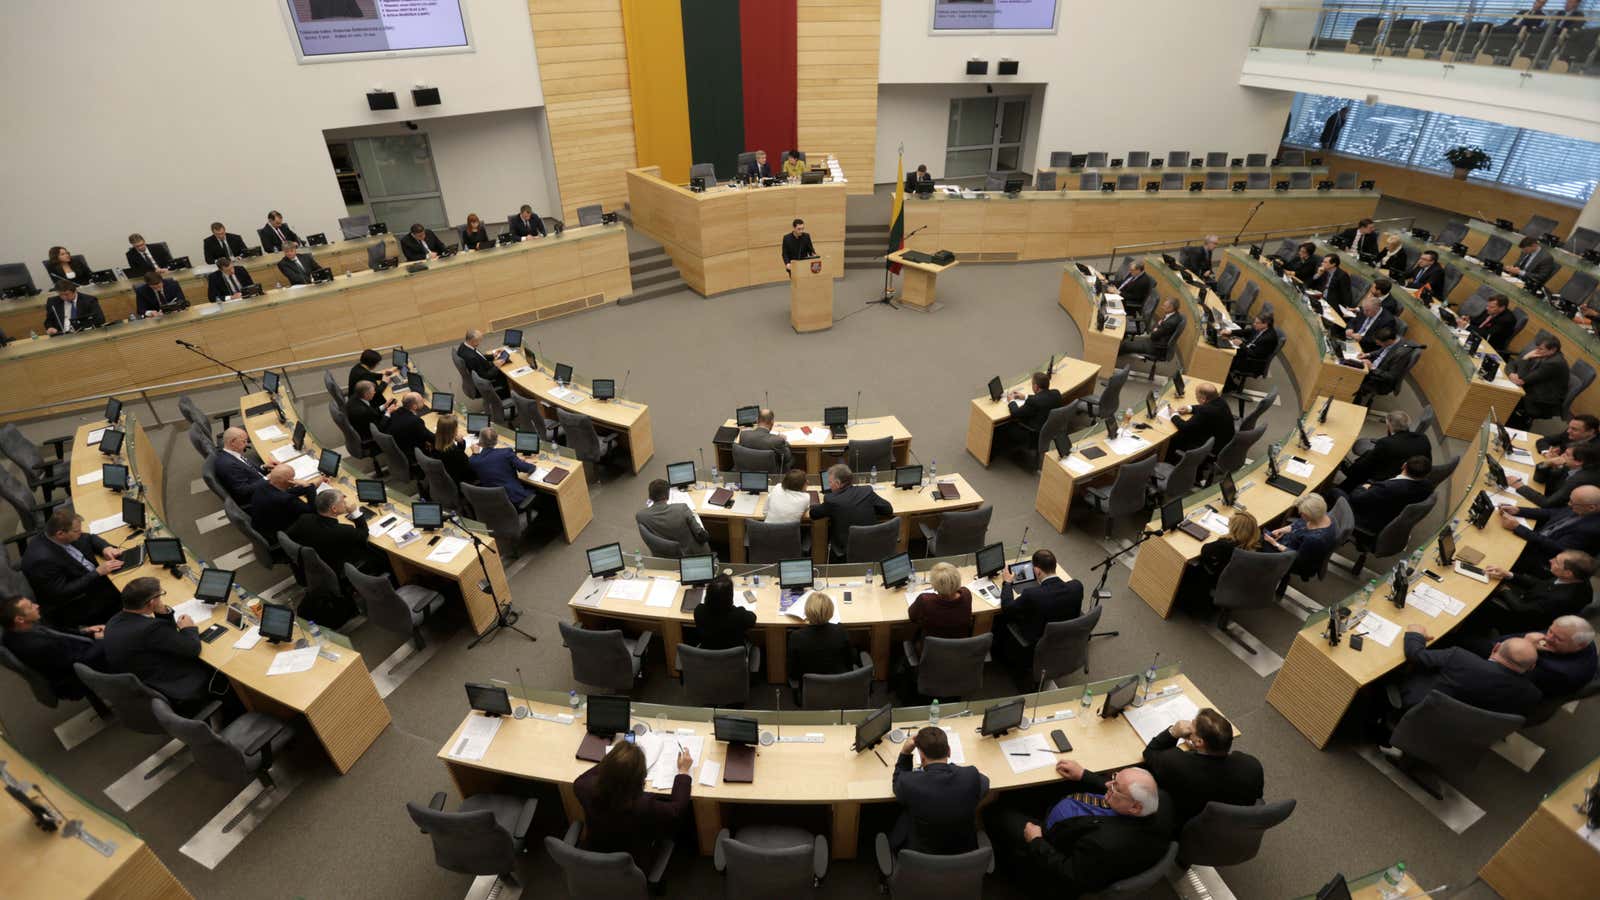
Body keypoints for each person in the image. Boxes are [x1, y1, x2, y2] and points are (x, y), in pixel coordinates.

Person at [985, 760, 1173, 894]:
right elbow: (1123, 791)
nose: (1108, 784)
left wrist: (1036, 841)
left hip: (1050, 840)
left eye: (1115, 787)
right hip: (1074, 818)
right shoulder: (1160, 800)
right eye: (1114, 778)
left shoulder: (1105, 845)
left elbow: (1069, 874)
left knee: (996, 812)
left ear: (1135, 807)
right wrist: (1084, 774)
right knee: (1025, 792)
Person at [1383, 625, 1540, 729]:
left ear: (1496, 648)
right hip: (1463, 733)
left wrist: (1414, 633)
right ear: (1532, 667)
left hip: (1418, 714)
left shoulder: (1460, 658)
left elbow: (1416, 655)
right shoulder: (1532, 695)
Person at [100, 578, 215, 716]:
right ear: (152, 602)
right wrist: (189, 628)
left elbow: (165, 637)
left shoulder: (114, 621)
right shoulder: (150, 628)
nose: (162, 598)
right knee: (218, 670)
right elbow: (192, 649)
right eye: (160, 595)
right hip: (175, 685)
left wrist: (163, 613)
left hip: (147, 680)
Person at [573, 739, 692, 870]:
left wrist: (614, 763)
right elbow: (677, 809)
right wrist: (683, 772)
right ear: (640, 779)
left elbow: (583, 779)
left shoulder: (584, 788)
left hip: (593, 860)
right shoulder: (643, 805)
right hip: (632, 867)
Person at [1141, 708, 1263, 825]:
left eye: (1192, 727)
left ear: (1199, 742)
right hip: (1230, 827)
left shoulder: (1176, 763)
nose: (1189, 726)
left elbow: (1150, 752)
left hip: (1185, 828)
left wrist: (1173, 732)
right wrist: (1198, 750)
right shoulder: (1252, 766)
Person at [889, 726, 990, 855]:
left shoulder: (909, 783)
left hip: (921, 857)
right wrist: (953, 770)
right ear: (949, 751)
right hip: (963, 853)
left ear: (922, 757)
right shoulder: (971, 775)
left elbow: (897, 784)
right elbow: (985, 784)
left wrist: (905, 753)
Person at [21, 510, 123, 630]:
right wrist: (97, 573)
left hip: (91, 577)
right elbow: (62, 592)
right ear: (60, 534)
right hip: (78, 602)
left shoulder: (57, 536)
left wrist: (105, 548)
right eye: (76, 531)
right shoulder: (42, 561)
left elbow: (89, 538)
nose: (80, 533)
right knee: (130, 590)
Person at [995, 549, 1084, 678]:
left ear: (1037, 571)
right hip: (1063, 637)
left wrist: (1007, 583)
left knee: (1001, 618)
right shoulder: (1076, 586)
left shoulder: (1032, 595)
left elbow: (1007, 608)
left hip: (1036, 641)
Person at [1, 593, 105, 702]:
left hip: (73, 651)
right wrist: (104, 639)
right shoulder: (38, 646)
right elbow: (81, 660)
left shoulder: (16, 630)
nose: (37, 606)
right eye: (31, 606)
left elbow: (58, 632)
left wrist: (88, 632)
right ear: (20, 619)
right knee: (122, 643)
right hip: (77, 673)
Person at [1482, 551, 1595, 636]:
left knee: (1483, 601)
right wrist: (1508, 574)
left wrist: (1504, 589)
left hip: (1521, 620)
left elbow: (1521, 609)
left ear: (1568, 573)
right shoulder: (1577, 578)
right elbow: (1540, 584)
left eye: (1556, 561)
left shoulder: (1561, 599)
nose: (1551, 560)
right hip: (1532, 600)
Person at [1500, 485, 1600, 576]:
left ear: (1591, 507)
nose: (1569, 504)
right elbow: (1552, 513)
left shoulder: (1592, 530)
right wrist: (1519, 510)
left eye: (1572, 503)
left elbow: (1555, 547)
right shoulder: (1581, 506)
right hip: (1535, 538)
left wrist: (1518, 528)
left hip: (1542, 557)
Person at [1179, 511, 1260, 615]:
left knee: (1187, 564)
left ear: (1235, 528)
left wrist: (1222, 538)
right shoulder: (1251, 544)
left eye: (1230, 523)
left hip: (1213, 580)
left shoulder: (1224, 546)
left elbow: (1205, 550)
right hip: (1233, 581)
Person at [809, 464, 892, 560]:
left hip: (845, 550)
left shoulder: (831, 499)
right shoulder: (866, 491)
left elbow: (813, 514)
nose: (829, 485)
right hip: (872, 544)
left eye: (830, 482)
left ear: (838, 483)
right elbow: (888, 509)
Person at [1338, 455, 1433, 536]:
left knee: (1335, 491)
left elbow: (1356, 499)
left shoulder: (1388, 488)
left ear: (1404, 465)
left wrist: (1363, 487)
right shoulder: (1428, 486)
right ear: (1426, 475)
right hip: (1390, 515)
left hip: (1367, 519)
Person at [787, 592, 854, 700]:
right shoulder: (841, 631)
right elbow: (850, 663)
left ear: (807, 612)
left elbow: (793, 672)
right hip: (839, 685)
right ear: (830, 611)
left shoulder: (796, 637)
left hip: (809, 689)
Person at [1341, 410, 1430, 488]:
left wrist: (1352, 470)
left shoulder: (1386, 443)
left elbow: (1367, 465)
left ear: (1389, 426)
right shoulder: (1423, 438)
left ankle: (1342, 487)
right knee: (1368, 454)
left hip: (1387, 478)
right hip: (1411, 476)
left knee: (1360, 469)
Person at [1264, 492, 1339, 581]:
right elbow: (1299, 524)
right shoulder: (1323, 515)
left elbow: (1298, 558)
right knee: (1267, 532)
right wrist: (1281, 530)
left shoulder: (1315, 539)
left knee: (1260, 541)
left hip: (1296, 561)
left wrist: (1275, 544)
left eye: (1302, 514)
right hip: (1294, 543)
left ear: (1310, 515)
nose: (1300, 515)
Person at [907, 562, 974, 655]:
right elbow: (960, 590)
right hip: (958, 651)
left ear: (934, 584)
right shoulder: (966, 594)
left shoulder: (925, 600)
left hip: (930, 653)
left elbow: (912, 616)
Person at [1524, 615, 1597, 698]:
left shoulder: (1556, 671)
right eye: (1550, 631)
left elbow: (1513, 673)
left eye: (1558, 639)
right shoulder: (1578, 638)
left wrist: (1525, 644)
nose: (1548, 638)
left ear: (1580, 645)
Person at [1509, 442, 1600, 509]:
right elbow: (1539, 480)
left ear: (1578, 462)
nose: (1562, 455)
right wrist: (1547, 463)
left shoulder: (1580, 479)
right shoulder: (1572, 465)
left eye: (1567, 455)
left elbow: (1547, 503)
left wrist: (1520, 487)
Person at [468, 428, 540, 509]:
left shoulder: (474, 460)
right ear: (496, 440)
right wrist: (525, 463)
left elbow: (475, 461)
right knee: (538, 491)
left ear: (480, 442)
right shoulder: (506, 453)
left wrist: (475, 453)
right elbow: (528, 468)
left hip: (493, 502)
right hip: (515, 500)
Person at [1506, 335, 1569, 428]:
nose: (1536, 351)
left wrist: (1526, 358)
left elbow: (1522, 380)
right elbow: (1512, 364)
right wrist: (1511, 373)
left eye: (1541, 349)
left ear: (1553, 350)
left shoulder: (1553, 363)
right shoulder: (1544, 354)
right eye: (1537, 348)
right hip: (1534, 387)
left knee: (1507, 395)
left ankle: (1510, 425)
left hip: (1542, 400)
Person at [636, 478, 710, 555]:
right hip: (690, 553)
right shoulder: (682, 509)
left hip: (665, 556)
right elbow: (702, 536)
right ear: (667, 496)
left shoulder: (641, 516)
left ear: (650, 497)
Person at [249, 464, 319, 542]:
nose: (295, 479)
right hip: (278, 534)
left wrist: (310, 486)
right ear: (289, 481)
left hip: (262, 525)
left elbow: (286, 491)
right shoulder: (286, 499)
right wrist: (308, 487)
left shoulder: (263, 486)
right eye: (293, 477)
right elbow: (313, 511)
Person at [1168, 383, 1234, 458]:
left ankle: (1168, 458)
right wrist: (1189, 408)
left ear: (1203, 399)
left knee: (1174, 437)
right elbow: (1204, 406)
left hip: (1212, 447)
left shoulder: (1205, 411)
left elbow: (1185, 427)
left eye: (1197, 396)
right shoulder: (1221, 401)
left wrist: (1173, 415)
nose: (1196, 398)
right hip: (1223, 441)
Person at [693, 573, 754, 651]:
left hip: (707, 658)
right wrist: (735, 608)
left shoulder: (699, 611)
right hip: (735, 660)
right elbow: (753, 618)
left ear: (708, 594)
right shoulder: (739, 615)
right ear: (730, 596)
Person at [1001, 372, 1062, 449]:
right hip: (1051, 430)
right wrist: (1025, 397)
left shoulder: (1033, 402)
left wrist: (1011, 401)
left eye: (1032, 384)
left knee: (1004, 427)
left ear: (1036, 387)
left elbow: (1015, 413)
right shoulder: (1056, 393)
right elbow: (1043, 397)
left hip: (1035, 433)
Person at [213, 427, 268, 507]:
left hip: (259, 482)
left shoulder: (232, 454)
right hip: (258, 498)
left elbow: (250, 470)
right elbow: (243, 491)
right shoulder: (228, 465)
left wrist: (264, 467)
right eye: (244, 441)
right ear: (232, 442)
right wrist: (268, 479)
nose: (246, 444)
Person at [1225, 312, 1280, 390]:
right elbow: (1247, 332)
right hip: (1247, 351)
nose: (1254, 324)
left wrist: (1241, 344)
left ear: (1265, 324)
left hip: (1253, 363)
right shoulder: (1260, 328)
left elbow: (1254, 354)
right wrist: (1231, 332)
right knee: (1226, 350)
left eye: (1257, 323)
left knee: (1226, 358)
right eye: (1255, 322)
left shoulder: (1268, 338)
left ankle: (1229, 386)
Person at [1354, 329, 1410, 403]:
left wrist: (1372, 368)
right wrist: (1368, 354)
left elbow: (1391, 377)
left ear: (1389, 341)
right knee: (1351, 366)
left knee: (1354, 378)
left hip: (1380, 380)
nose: (1378, 345)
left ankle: (1354, 403)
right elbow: (1381, 351)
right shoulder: (1394, 340)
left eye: (1379, 343)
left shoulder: (1400, 354)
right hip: (1374, 368)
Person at [455, 329, 510, 397]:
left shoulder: (463, 346)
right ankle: (508, 394)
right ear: (473, 341)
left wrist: (493, 356)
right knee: (507, 373)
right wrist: (496, 367)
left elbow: (479, 357)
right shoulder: (471, 357)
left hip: (480, 371)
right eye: (479, 340)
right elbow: (485, 376)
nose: (480, 342)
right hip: (485, 380)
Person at [386, 392, 434, 466]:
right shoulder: (416, 421)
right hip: (411, 452)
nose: (424, 401)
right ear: (414, 406)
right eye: (421, 401)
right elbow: (430, 437)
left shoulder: (396, 412)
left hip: (400, 446)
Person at [430, 414, 475, 486]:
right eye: (457, 427)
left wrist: (461, 442)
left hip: (448, 476)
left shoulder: (436, 441)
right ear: (453, 431)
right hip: (460, 483)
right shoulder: (454, 452)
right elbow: (469, 468)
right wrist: (475, 454)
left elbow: (459, 454)